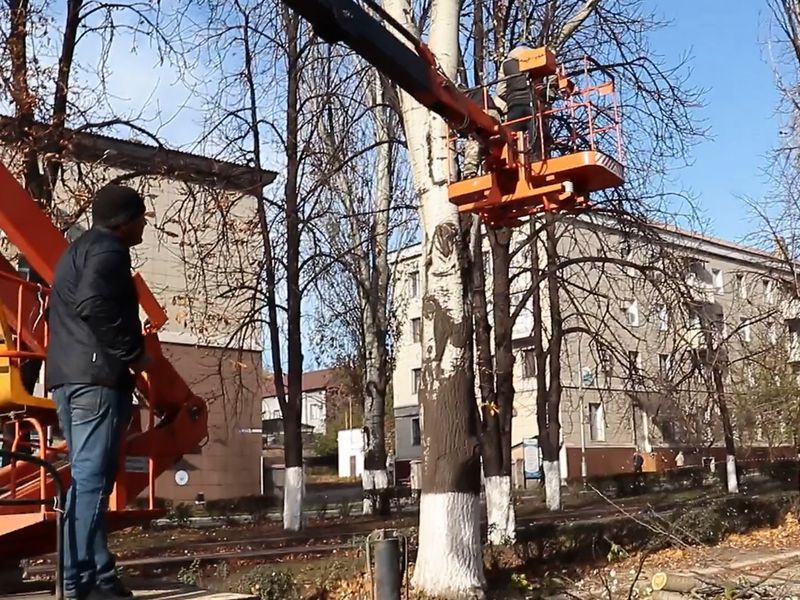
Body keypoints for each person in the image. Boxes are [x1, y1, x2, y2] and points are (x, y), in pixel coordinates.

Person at [47, 184, 151, 600]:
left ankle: (101, 576)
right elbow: (94, 302)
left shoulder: (74, 251)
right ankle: (78, 583)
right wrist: (133, 352)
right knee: (91, 481)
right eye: (141, 217)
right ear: (125, 221)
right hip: (95, 379)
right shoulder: (110, 251)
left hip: (68, 379)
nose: (144, 224)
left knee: (94, 478)